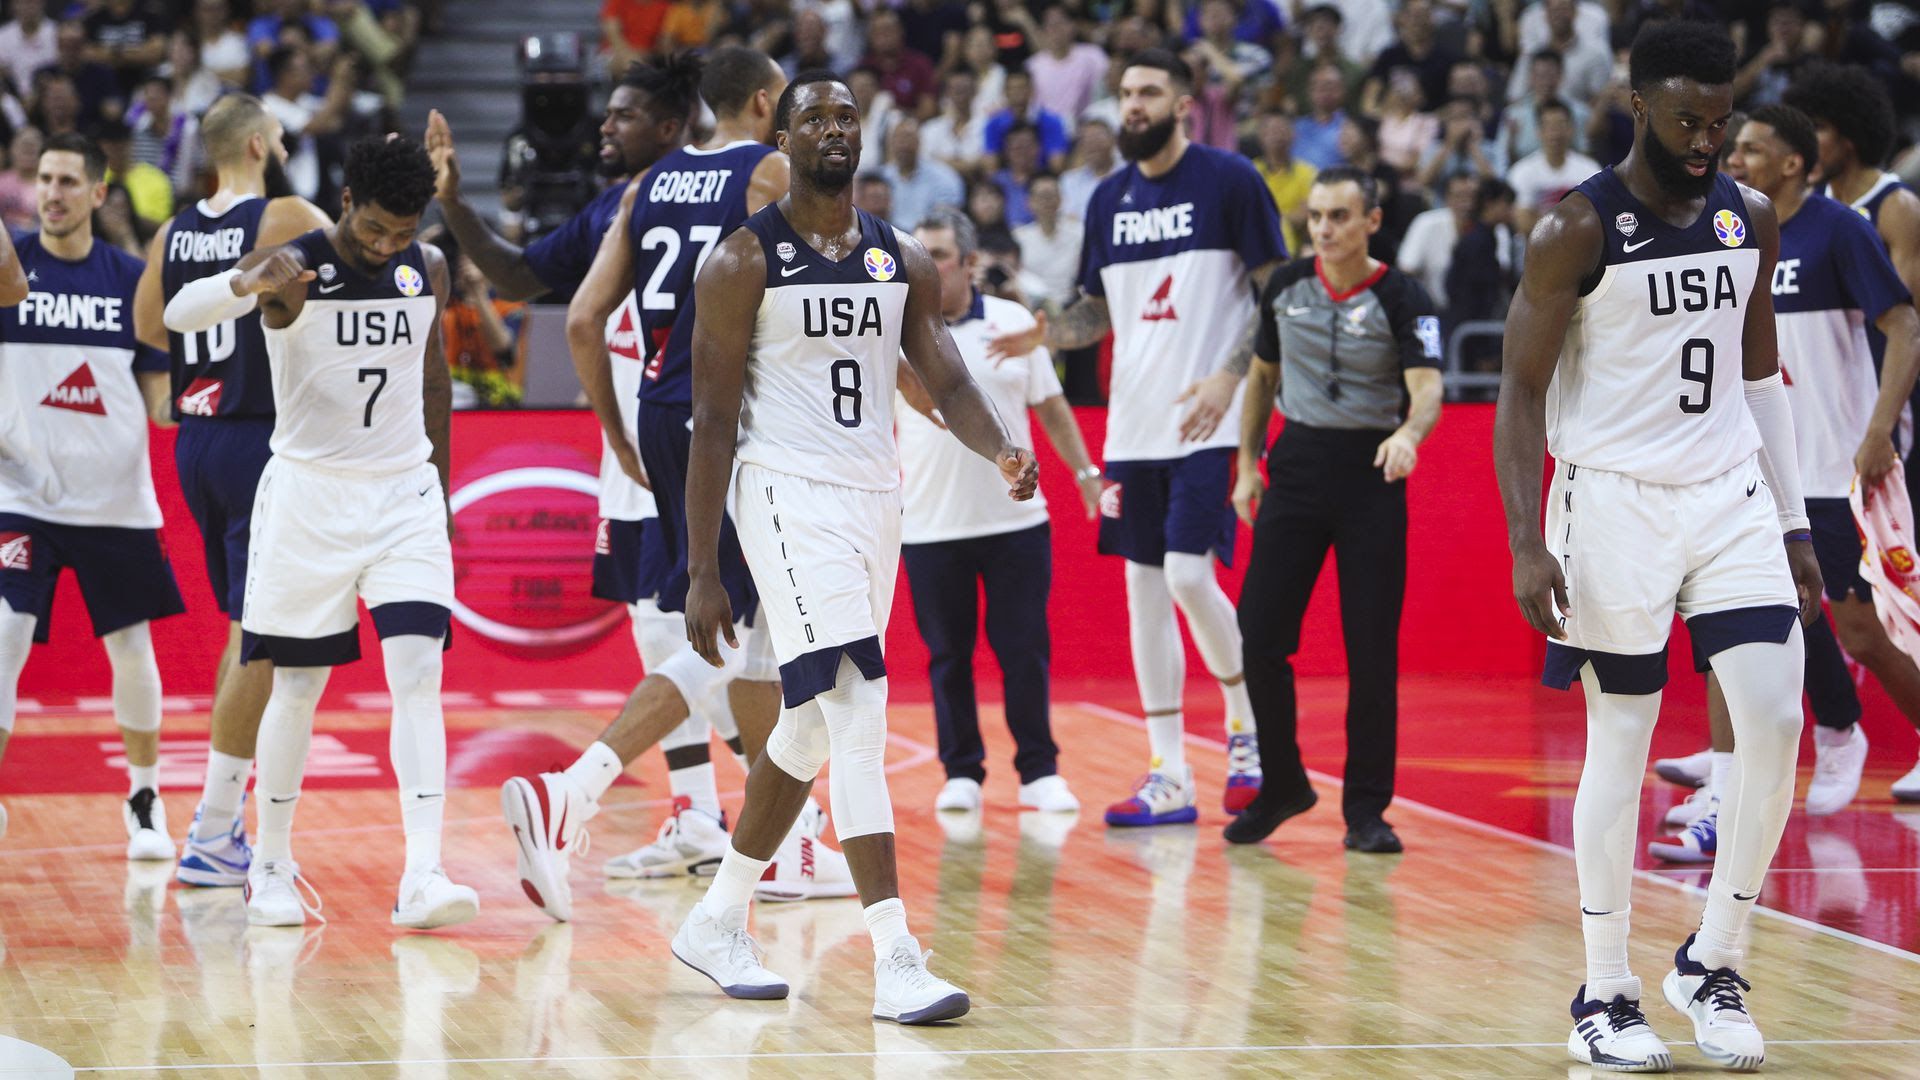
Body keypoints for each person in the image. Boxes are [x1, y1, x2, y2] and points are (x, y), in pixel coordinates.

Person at [671, 70, 1038, 1023]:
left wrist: (999, 444)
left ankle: (716, 919)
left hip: (878, 497)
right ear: (782, 138)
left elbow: (946, 375)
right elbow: (710, 422)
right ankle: (896, 955)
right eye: (814, 117)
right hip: (783, 492)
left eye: (847, 116)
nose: (834, 128)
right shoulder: (742, 261)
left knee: (804, 726)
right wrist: (704, 566)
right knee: (858, 705)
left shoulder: (900, 257)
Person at [1493, 21, 1816, 1071]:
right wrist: (1526, 541)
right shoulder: (1575, 230)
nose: (1707, 140)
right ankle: (1606, 987)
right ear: (1637, 104)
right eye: (1688, 119)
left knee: (1772, 718)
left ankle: (1714, 961)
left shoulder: (1750, 217)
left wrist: (1795, 520)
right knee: (1620, 741)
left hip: (1726, 497)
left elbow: (1760, 377)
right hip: (1611, 503)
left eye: (1722, 121)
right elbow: (1519, 392)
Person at [505, 49, 861, 917]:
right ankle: (573, 792)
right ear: (770, 102)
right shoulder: (770, 170)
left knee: (754, 633)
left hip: (665, 409)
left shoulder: (651, 183)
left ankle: (784, 842)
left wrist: (615, 429)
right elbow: (815, 283)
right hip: (733, 410)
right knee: (729, 636)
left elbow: (582, 318)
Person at [165, 135, 473, 931]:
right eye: (374, 229)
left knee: (418, 675)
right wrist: (243, 281)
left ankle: (424, 873)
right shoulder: (292, 268)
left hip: (403, 493)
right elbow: (175, 314)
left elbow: (432, 379)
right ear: (344, 202)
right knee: (297, 685)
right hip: (309, 496)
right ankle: (268, 864)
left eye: (402, 232)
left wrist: (436, 492)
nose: (385, 246)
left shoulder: (425, 270)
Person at [988, 49, 1286, 827]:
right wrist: (1045, 330)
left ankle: (1248, 731)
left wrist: (1229, 378)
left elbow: (1274, 296)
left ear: (1184, 104)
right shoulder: (1108, 200)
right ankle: (1171, 775)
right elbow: (1100, 310)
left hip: (1207, 422)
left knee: (1190, 575)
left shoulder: (1230, 181)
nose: (1134, 106)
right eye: (1126, 94)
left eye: (1150, 92)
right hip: (1132, 430)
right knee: (1143, 592)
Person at [1649, 107, 1920, 859]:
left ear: (1795, 164)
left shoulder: (1839, 229)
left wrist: (1878, 433)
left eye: (1751, 149)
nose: (1732, 156)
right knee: (1731, 616)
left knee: (1861, 629)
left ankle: (1836, 734)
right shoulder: (1726, 227)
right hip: (1753, 463)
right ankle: (1730, 779)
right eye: (1730, 146)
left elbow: (1905, 327)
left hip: (1837, 463)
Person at [131, 93, 331, 889]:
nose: (283, 145)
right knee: (263, 640)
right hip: (258, 436)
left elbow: (150, 324)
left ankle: (222, 819)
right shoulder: (280, 213)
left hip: (196, 438)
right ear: (256, 143)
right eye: (279, 135)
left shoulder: (171, 230)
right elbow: (373, 255)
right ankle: (214, 833)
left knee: (242, 632)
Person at [1225, 166, 1442, 853]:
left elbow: (1428, 387)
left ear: (1372, 221)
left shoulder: (1406, 297)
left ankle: (1366, 811)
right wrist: (1245, 467)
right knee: (1259, 636)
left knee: (1370, 651)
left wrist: (1408, 434)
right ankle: (1284, 783)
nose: (1323, 228)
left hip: (1371, 476)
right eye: (1315, 216)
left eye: (1339, 216)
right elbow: (1262, 378)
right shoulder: (1286, 287)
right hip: (1295, 470)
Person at [0, 134, 178, 851]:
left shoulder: (132, 279)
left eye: (70, 181)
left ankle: (144, 796)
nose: (53, 193)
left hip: (113, 499)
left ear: (100, 193)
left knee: (130, 645)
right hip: (23, 494)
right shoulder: (10, 269)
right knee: (5, 631)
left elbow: (162, 397)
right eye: (45, 179)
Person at [902, 207, 1098, 815]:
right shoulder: (892, 329)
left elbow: (1052, 406)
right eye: (920, 254)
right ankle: (961, 771)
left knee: (1023, 650)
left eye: (937, 254)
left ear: (968, 263)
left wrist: (1086, 473)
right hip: (930, 525)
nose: (925, 266)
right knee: (948, 656)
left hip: (1016, 524)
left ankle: (1039, 770)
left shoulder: (1013, 323)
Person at [1783, 64, 1920, 802]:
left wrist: (1881, 428)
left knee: (1884, 614)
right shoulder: (1798, 214)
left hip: (1878, 426)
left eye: (1822, 129)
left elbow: (1903, 324)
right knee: (1808, 609)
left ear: (1849, 133)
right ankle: (1837, 727)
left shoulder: (1889, 209)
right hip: (1809, 432)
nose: (1812, 143)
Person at [1507, 99, 1602, 235]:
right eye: (1549, 126)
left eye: (1560, 125)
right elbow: (1523, 222)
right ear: (1538, 131)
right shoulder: (1522, 171)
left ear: (1571, 129)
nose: (1555, 133)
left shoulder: (1590, 169)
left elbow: (1597, 217)